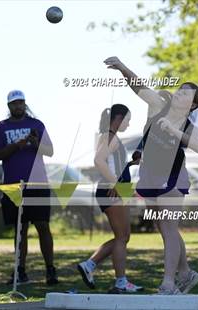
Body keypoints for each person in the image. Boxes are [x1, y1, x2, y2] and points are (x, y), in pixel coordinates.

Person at [104, 56, 198, 294]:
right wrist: (122, 67)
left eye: (186, 95)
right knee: (163, 225)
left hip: (173, 178)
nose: (180, 94)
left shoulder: (190, 127)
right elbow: (138, 86)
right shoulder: (159, 106)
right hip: (149, 176)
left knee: (169, 227)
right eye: (180, 91)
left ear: (192, 105)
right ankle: (186, 273)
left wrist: (174, 131)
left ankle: (168, 283)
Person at [0, 90, 58, 285]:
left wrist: (35, 142)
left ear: (25, 104)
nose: (18, 106)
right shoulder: (1, 127)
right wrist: (17, 145)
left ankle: (50, 270)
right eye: (14, 103)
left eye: (21, 103)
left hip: (38, 184)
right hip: (13, 186)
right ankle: (19, 271)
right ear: (9, 106)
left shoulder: (37, 124)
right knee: (20, 229)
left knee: (43, 227)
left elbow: (51, 151)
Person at [77, 104, 143, 294]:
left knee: (123, 237)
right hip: (111, 191)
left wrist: (130, 163)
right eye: (127, 120)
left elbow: (111, 163)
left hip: (112, 190)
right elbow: (98, 161)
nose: (128, 125)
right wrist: (115, 183)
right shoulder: (109, 136)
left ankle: (89, 265)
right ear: (118, 118)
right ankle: (120, 282)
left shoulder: (109, 137)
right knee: (122, 237)